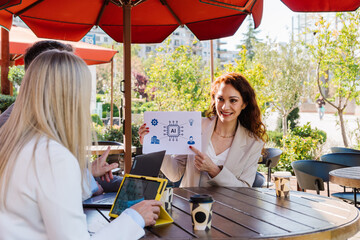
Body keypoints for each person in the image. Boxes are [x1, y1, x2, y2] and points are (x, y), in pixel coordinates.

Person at [0, 50, 161, 239]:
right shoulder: (53, 155)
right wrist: (135, 218)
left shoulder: (16, 143)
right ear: (72, 98)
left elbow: (39, 203)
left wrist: (87, 176)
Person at [0, 40, 120, 198]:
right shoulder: (24, 128)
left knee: (130, 187)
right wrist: (90, 185)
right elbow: (53, 184)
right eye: (67, 73)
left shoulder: (42, 118)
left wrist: (89, 171)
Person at [139, 72, 267, 187]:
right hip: (189, 208)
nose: (225, 106)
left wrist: (214, 170)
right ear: (214, 100)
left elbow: (245, 190)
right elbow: (174, 174)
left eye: (233, 100)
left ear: (244, 104)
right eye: (220, 99)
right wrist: (153, 145)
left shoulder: (253, 143)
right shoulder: (195, 126)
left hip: (229, 210)